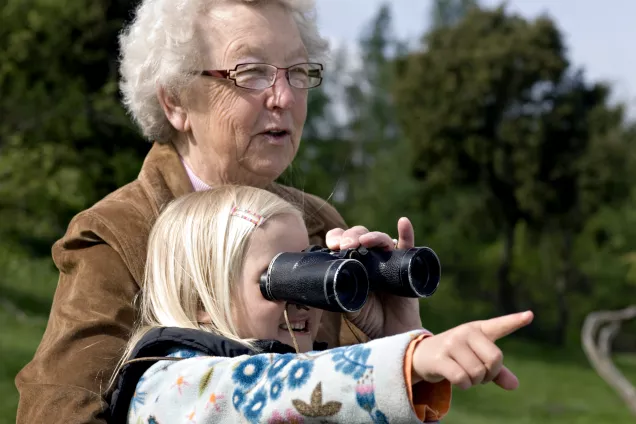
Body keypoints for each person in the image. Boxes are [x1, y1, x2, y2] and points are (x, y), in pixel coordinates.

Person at [15, 1, 423, 423]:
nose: (283, 97)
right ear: (175, 101)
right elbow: (56, 410)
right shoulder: (117, 233)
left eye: (298, 72)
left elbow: (343, 407)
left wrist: (393, 345)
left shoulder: (320, 224)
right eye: (250, 73)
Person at [106, 185, 533, 424]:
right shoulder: (167, 386)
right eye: (282, 277)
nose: (305, 299)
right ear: (202, 301)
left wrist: (398, 335)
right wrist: (406, 360)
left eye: (312, 271)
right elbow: (262, 393)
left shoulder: (309, 385)